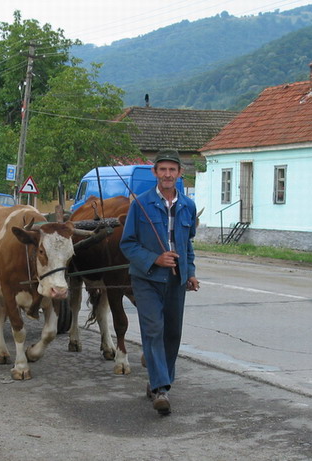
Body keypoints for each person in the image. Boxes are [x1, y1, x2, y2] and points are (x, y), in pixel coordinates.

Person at [119, 149, 200, 415]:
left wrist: (190, 272)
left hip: (176, 281)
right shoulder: (140, 204)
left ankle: (156, 381)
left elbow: (186, 242)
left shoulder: (187, 206)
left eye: (172, 170)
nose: (167, 174)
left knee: (172, 334)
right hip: (147, 279)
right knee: (153, 330)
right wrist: (155, 259)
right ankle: (161, 389)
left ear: (179, 173)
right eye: (162, 169)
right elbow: (127, 244)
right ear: (155, 173)